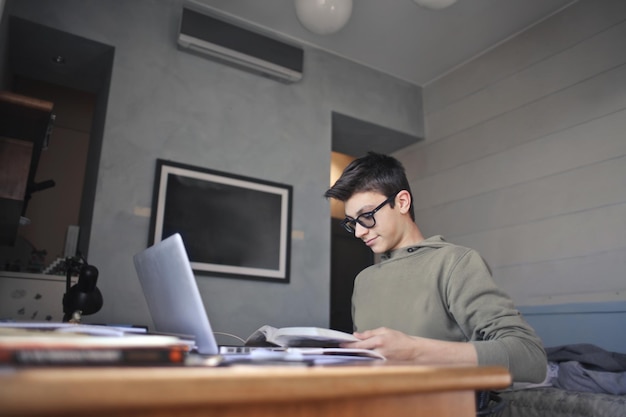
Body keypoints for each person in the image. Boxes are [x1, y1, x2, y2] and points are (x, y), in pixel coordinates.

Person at [324, 152, 547, 383]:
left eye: (367, 216)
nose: (359, 232)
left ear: (402, 202)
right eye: (352, 222)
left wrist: (415, 351)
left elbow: (530, 357)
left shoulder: (455, 262)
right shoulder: (363, 280)